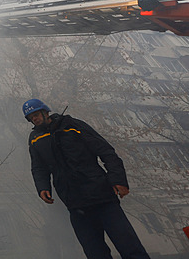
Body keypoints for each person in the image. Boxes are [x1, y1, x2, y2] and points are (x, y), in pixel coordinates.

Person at [23, 98, 150, 259]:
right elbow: (38, 168)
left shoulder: (72, 125)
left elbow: (106, 151)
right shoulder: (34, 138)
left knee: (130, 246)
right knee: (95, 253)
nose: (34, 118)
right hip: (75, 204)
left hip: (102, 197)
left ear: (45, 111)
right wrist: (42, 188)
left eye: (36, 114)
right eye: (31, 117)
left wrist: (118, 180)